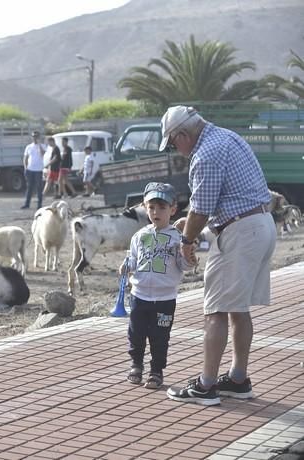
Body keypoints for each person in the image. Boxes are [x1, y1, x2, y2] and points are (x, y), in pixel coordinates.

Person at [161, 106, 276, 406]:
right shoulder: (227, 137)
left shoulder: (206, 153)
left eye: (173, 143)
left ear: (183, 134)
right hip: (261, 224)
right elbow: (221, 200)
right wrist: (192, 225)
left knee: (215, 310)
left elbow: (201, 208)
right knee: (237, 308)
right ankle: (238, 379)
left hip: (241, 232)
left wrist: (187, 240)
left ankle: (205, 385)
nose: (176, 150)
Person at [123, 182, 195, 390]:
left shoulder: (178, 238)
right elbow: (133, 259)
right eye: (152, 207)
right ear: (145, 208)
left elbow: (184, 265)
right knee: (135, 333)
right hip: (139, 296)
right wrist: (126, 265)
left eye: (162, 208)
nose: (156, 212)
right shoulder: (139, 236)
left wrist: (189, 259)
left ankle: (157, 370)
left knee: (160, 336)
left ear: (173, 210)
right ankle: (136, 364)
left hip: (165, 299)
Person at [21, 131, 45, 209]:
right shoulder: (29, 146)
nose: (35, 138)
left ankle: (39, 204)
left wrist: (39, 145)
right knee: (29, 187)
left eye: (36, 137)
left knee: (39, 187)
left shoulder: (42, 146)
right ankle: (27, 204)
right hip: (30, 169)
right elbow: (25, 157)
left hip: (38, 170)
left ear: (39, 137)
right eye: (34, 137)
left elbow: (42, 154)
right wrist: (25, 167)